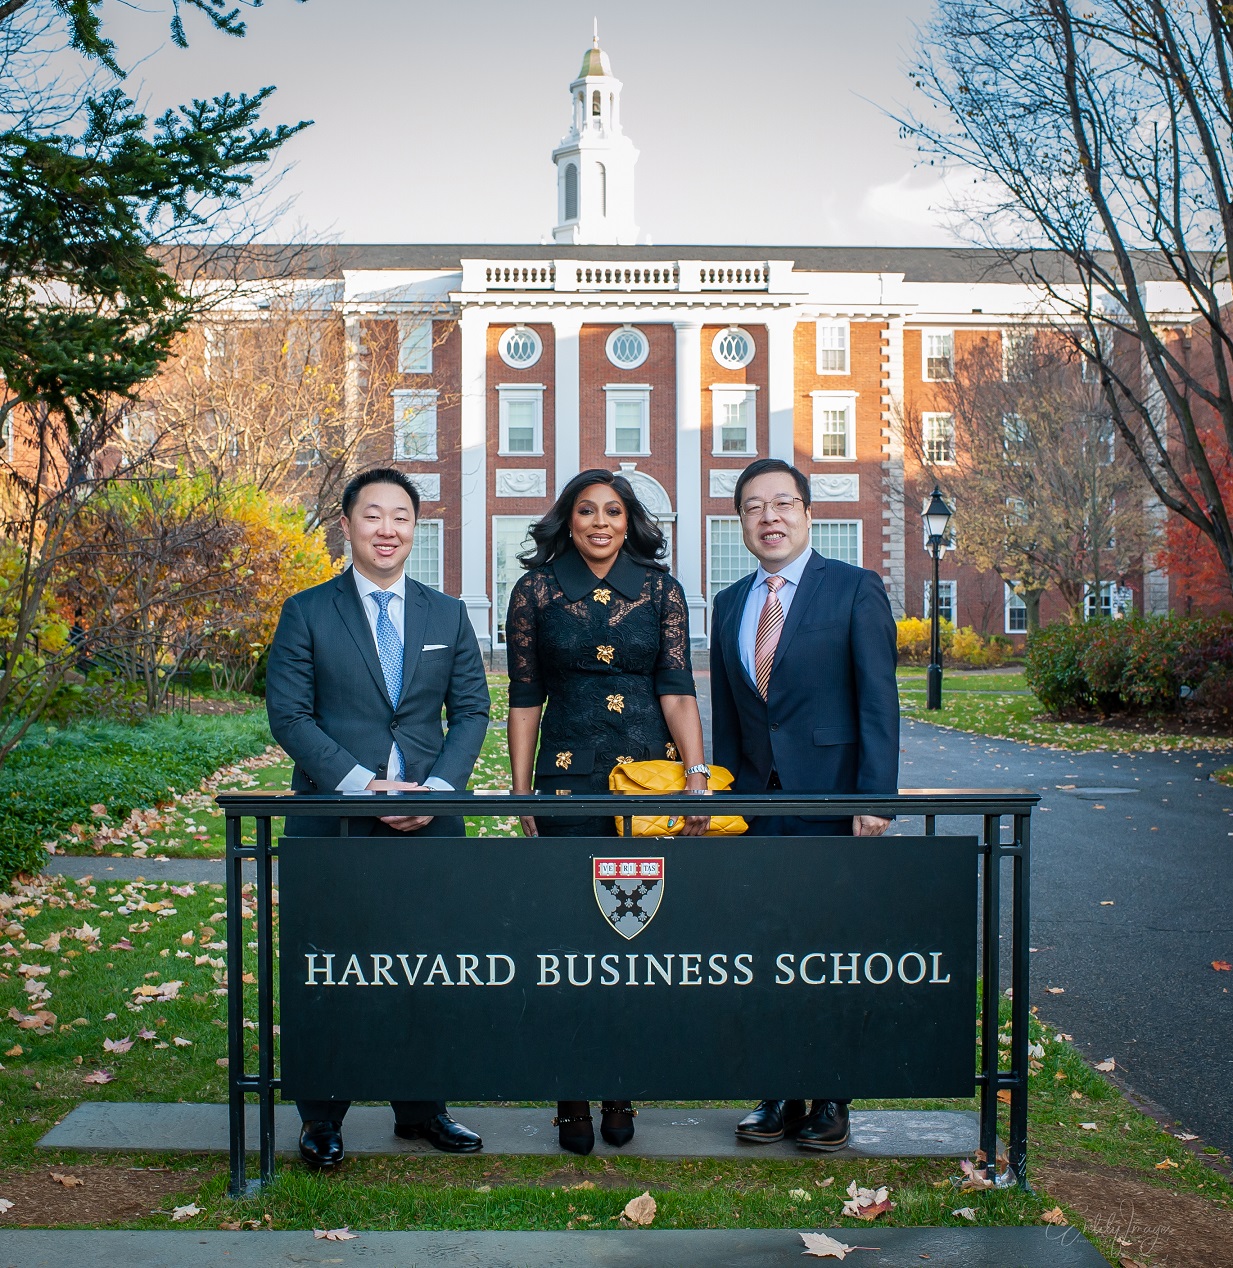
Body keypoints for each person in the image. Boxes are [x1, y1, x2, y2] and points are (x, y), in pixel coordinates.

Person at [266, 467, 490, 1170]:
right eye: (373, 516)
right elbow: (290, 716)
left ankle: (422, 1110)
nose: (387, 529)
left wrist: (437, 789)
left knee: (428, 965)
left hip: (430, 822)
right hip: (334, 818)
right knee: (326, 966)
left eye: (400, 517)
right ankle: (322, 1118)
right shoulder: (307, 611)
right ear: (347, 525)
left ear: (414, 529)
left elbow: (472, 711)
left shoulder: (446, 613)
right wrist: (366, 788)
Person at [505, 468, 710, 1156]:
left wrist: (696, 778)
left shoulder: (661, 591)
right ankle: (570, 1098)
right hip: (564, 783)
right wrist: (519, 789)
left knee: (633, 937)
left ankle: (620, 1088)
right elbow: (524, 696)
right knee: (567, 940)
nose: (599, 522)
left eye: (613, 512)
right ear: (568, 520)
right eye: (587, 511)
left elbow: (677, 690)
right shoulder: (534, 592)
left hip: (643, 786)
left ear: (629, 523)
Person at [710, 458, 899, 1152]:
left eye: (782, 503)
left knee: (828, 951)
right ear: (740, 523)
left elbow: (879, 700)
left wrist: (874, 797)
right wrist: (723, 802)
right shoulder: (730, 602)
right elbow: (729, 719)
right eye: (754, 507)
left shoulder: (853, 589)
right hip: (757, 810)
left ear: (807, 513)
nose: (770, 517)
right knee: (764, 950)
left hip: (832, 801)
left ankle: (830, 1097)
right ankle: (778, 1092)